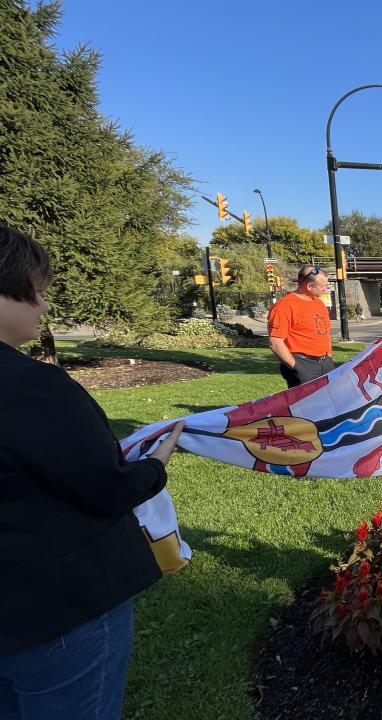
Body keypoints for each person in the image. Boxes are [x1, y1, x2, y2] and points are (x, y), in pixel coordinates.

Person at [0, 224, 185, 719]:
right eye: (34, 294)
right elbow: (107, 486)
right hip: (56, 608)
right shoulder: (30, 388)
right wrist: (153, 465)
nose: (43, 309)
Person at [267, 265, 333, 388]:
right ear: (308, 286)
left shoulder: (318, 302)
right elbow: (275, 342)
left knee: (328, 404)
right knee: (307, 406)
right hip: (303, 365)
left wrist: (328, 356)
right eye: (323, 286)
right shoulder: (284, 306)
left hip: (325, 363)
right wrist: (297, 367)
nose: (326, 289)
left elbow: (324, 332)